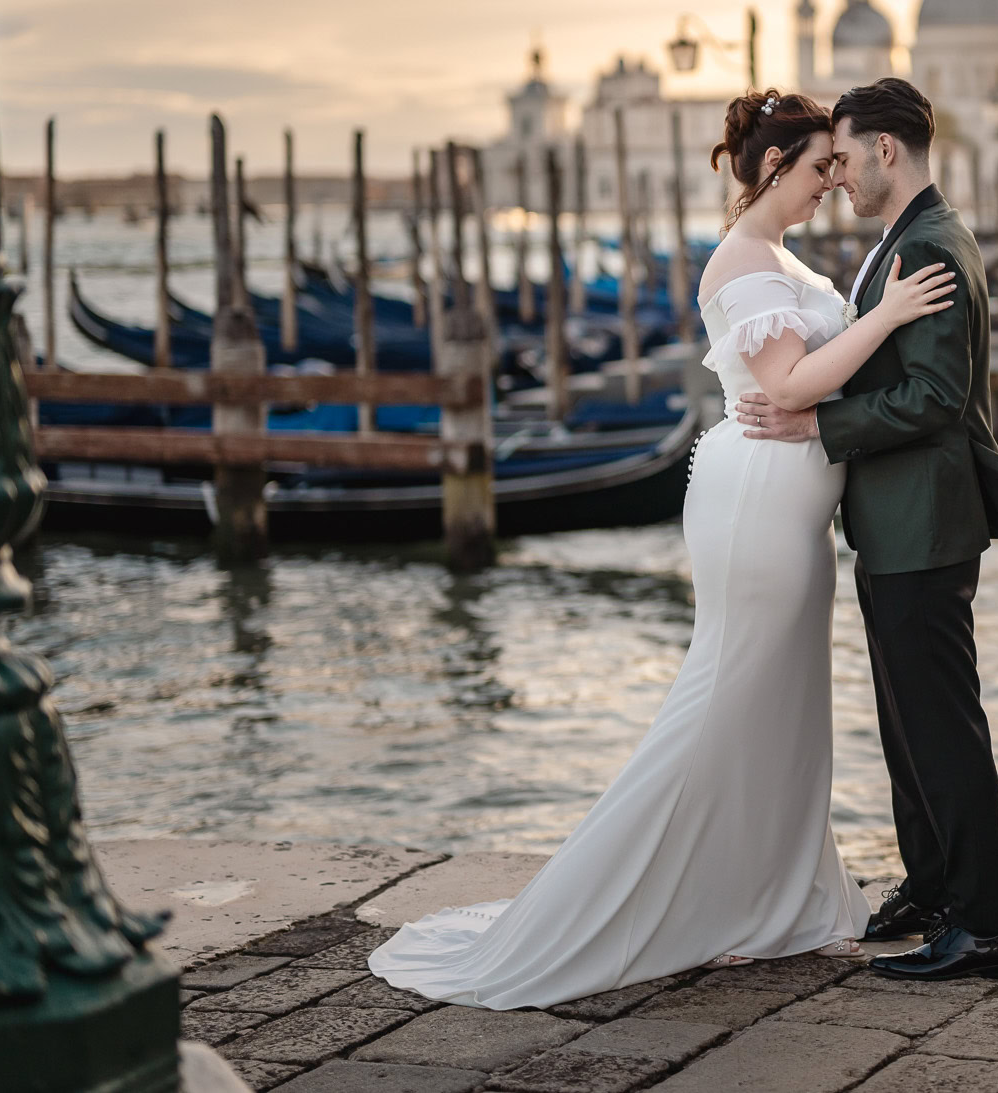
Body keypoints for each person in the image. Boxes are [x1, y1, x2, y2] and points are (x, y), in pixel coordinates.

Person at [365, 90, 962, 1008]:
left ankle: (774, 892)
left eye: (836, 167)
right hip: (756, 505)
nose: (828, 185)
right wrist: (882, 318)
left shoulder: (781, 258)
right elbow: (792, 382)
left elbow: (813, 389)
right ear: (774, 168)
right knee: (728, 691)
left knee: (781, 702)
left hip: (790, 505)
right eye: (816, 169)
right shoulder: (739, 263)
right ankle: (642, 891)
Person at [739, 77, 998, 981]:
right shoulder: (909, 238)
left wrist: (818, 426)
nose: (842, 176)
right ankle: (934, 886)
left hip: (924, 523)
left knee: (941, 727)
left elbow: (935, 397)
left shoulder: (930, 243)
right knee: (906, 723)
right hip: (897, 520)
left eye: (850, 157)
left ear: (887, 150)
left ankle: (982, 928)